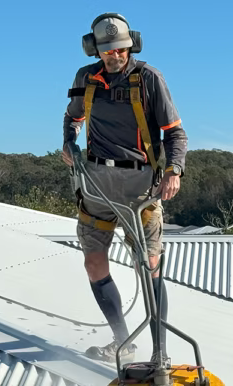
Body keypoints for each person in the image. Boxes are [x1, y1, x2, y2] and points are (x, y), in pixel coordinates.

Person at [62, 13, 187, 364]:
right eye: (107, 51)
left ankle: (160, 352)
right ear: (95, 50)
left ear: (131, 43)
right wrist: (68, 143)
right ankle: (123, 340)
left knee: (149, 265)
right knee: (93, 263)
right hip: (97, 188)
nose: (114, 56)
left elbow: (176, 133)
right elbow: (71, 118)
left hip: (140, 189)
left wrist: (174, 170)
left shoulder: (149, 78)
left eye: (120, 49)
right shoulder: (85, 79)